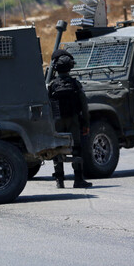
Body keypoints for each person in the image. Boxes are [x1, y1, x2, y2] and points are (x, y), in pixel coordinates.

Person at [48, 49, 92, 189]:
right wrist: (86, 123)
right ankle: (78, 180)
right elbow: (84, 106)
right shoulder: (75, 84)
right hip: (73, 120)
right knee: (77, 149)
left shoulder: (51, 85)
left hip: (57, 121)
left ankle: (59, 181)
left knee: (57, 148)